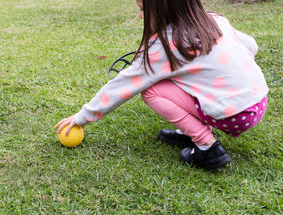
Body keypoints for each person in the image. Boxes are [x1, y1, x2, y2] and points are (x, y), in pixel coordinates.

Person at [54, 0, 268, 170]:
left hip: (234, 116)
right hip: (258, 102)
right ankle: (188, 132)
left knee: (151, 89)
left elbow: (122, 86)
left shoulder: (163, 45)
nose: (140, 16)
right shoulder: (213, 20)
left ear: (163, 8)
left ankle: (207, 148)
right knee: (183, 77)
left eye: (142, 9)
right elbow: (252, 46)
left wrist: (81, 117)